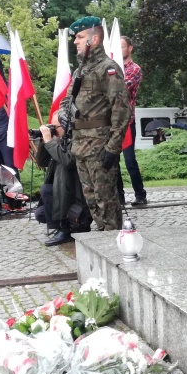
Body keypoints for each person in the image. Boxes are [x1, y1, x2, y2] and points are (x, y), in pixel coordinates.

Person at [59, 16, 130, 231]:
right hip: (81, 145)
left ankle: (115, 246)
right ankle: (102, 244)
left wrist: (113, 147)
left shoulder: (108, 68)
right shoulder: (81, 70)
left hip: (100, 145)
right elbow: (67, 99)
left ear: (95, 39)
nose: (75, 42)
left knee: (105, 200)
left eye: (80, 37)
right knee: (91, 200)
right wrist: (63, 112)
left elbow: (122, 109)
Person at [34, 113, 92, 246]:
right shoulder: (60, 141)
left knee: (46, 190)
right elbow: (42, 162)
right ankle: (62, 226)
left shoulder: (77, 140)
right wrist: (44, 142)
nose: (53, 130)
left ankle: (65, 229)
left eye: (55, 127)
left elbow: (68, 160)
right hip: (61, 192)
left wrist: (50, 142)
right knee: (40, 214)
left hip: (75, 194)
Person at [115, 35, 148, 206]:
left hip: (127, 121)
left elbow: (121, 88)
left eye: (122, 47)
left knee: (129, 160)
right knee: (113, 160)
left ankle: (140, 194)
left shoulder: (134, 69)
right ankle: (119, 197)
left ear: (130, 48)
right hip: (112, 122)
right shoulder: (112, 68)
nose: (120, 50)